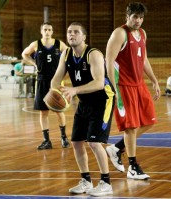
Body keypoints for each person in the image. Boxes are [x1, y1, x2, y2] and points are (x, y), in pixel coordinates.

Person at [51, 22, 115, 197]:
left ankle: (106, 182)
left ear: (84, 37)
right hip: (85, 101)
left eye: (76, 32)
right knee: (77, 142)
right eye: (69, 32)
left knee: (94, 142)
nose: (72, 35)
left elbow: (99, 82)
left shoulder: (93, 54)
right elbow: (56, 78)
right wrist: (54, 94)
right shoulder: (66, 54)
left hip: (103, 100)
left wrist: (74, 90)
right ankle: (86, 181)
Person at [105, 2, 160, 180]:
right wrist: (113, 88)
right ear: (127, 16)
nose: (138, 20)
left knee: (149, 120)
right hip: (123, 86)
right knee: (130, 126)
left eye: (141, 17)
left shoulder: (142, 33)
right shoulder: (119, 33)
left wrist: (154, 80)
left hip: (139, 84)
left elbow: (143, 59)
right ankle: (133, 166)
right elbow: (109, 61)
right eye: (135, 16)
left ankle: (115, 148)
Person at [22, 22, 70, 150]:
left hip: (56, 81)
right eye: (45, 29)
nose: (47, 32)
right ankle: (46, 140)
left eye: (49, 29)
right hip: (42, 80)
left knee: (59, 110)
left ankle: (63, 137)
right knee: (43, 112)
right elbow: (24, 54)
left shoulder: (59, 44)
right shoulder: (36, 44)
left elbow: (69, 55)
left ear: (52, 32)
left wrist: (64, 69)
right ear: (41, 31)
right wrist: (34, 63)